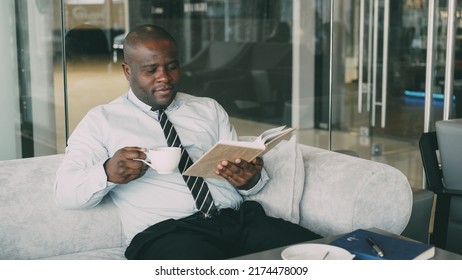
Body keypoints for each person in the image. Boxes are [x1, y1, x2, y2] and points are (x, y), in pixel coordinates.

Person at [54, 24, 321, 260]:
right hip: (167, 233)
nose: (165, 78)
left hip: (239, 220)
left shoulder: (208, 109)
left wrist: (249, 180)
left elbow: (246, 181)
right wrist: (107, 173)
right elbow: (65, 193)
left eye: (172, 67)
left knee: (327, 254)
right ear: (127, 71)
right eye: (151, 70)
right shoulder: (102, 120)